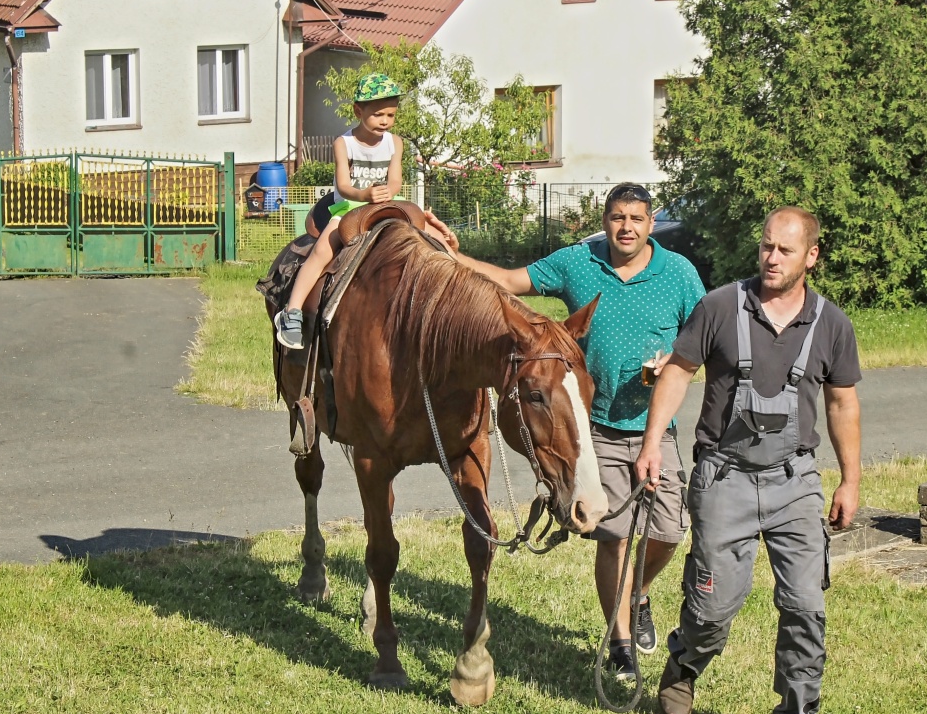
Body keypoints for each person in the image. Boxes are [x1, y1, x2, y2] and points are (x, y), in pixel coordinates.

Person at [425, 183, 706, 682]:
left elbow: (702, 338)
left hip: (653, 427)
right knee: (613, 536)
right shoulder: (579, 262)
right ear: (605, 220)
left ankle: (637, 594)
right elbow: (509, 281)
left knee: (669, 531)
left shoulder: (679, 274)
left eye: (636, 219)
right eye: (617, 217)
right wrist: (451, 255)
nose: (626, 228)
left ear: (651, 223)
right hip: (590, 426)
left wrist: (677, 362)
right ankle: (620, 647)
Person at [634, 206, 862, 714]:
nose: (771, 258)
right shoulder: (719, 307)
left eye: (785, 250)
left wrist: (850, 480)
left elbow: (842, 404)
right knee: (713, 609)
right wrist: (651, 442)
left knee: (805, 605)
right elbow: (678, 373)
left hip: (795, 482)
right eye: (766, 246)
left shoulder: (832, 324)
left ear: (811, 256)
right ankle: (685, 663)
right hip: (724, 477)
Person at [274, 73, 405, 349]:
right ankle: (292, 311)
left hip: (384, 203)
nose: (385, 121)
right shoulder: (344, 143)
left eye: (390, 115)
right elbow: (344, 186)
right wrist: (365, 195)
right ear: (358, 111)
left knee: (424, 235)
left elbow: (395, 180)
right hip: (351, 205)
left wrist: (387, 192)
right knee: (324, 249)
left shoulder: (395, 143)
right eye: (378, 114)